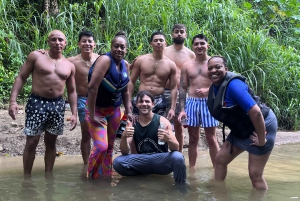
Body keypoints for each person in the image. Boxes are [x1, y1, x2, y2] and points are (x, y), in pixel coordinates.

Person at [8, 30, 77, 175]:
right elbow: (21, 77)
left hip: (57, 105)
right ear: (48, 42)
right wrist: (13, 101)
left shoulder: (69, 65)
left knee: (51, 143)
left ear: (65, 43)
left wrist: (74, 113)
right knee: (32, 141)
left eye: (60, 40)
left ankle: (48, 177)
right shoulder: (36, 56)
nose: (57, 42)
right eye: (53, 39)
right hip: (37, 103)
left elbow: (71, 91)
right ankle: (26, 177)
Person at [206, 55, 277, 190]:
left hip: (261, 125)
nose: (213, 70)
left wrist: (262, 140)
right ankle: (219, 193)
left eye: (218, 67)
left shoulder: (234, 86)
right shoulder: (215, 86)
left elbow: (256, 112)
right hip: (242, 127)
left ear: (226, 69)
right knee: (220, 159)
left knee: (255, 174)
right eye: (210, 68)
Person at [86, 31, 132, 178]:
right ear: (111, 47)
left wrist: (129, 110)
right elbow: (92, 87)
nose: (119, 49)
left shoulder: (125, 64)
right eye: (116, 46)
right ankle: (91, 177)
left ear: (126, 50)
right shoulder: (105, 60)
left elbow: (125, 91)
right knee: (101, 146)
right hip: (97, 110)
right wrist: (92, 114)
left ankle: (105, 176)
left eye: (122, 47)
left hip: (115, 111)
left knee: (110, 148)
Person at [113, 91, 186, 183]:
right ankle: (137, 181)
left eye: (147, 102)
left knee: (178, 157)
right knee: (118, 162)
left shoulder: (162, 121)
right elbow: (125, 151)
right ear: (137, 105)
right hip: (141, 161)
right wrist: (123, 137)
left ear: (152, 104)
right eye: (141, 101)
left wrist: (169, 139)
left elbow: (175, 148)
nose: (144, 104)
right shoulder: (132, 124)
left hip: (160, 160)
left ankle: (181, 188)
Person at [178, 34, 219, 169]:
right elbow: (183, 88)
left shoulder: (214, 63)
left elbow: (222, 82)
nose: (199, 46)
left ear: (208, 45)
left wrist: (209, 90)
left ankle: (217, 168)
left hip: (209, 102)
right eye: (196, 44)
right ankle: (192, 170)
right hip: (192, 103)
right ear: (193, 47)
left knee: (211, 138)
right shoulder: (187, 65)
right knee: (193, 138)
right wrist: (182, 109)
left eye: (202, 43)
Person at [67, 30, 99, 164]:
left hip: (99, 101)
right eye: (84, 41)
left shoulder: (101, 59)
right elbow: (54, 59)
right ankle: (86, 165)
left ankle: (98, 163)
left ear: (94, 44)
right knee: (86, 134)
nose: (87, 44)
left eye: (90, 41)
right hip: (82, 99)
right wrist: (43, 52)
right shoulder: (71, 61)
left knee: (99, 134)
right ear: (79, 44)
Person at [128, 31, 177, 119]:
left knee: (156, 128)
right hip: (141, 98)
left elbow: (174, 88)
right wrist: (128, 102)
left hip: (159, 100)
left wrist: (172, 108)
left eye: (161, 40)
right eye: (156, 40)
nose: (158, 42)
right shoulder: (141, 60)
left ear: (165, 43)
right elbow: (131, 81)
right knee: (135, 126)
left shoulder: (170, 64)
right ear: (151, 44)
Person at [164, 24, 195, 152]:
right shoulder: (165, 51)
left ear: (186, 35)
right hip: (164, 91)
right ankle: (161, 153)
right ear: (172, 34)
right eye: (176, 32)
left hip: (181, 93)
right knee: (161, 123)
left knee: (178, 125)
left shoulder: (191, 54)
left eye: (182, 32)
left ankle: (179, 154)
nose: (179, 34)